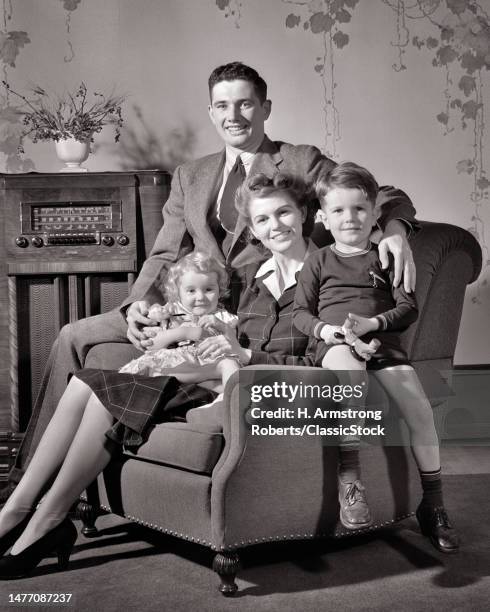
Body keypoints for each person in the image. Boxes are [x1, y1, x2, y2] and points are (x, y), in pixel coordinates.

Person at [1, 61, 417, 501]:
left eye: (244, 104)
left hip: (251, 308)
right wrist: (137, 306)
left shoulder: (300, 160)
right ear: (211, 111)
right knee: (72, 334)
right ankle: (23, 482)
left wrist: (396, 229)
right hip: (191, 301)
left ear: (265, 108)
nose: (233, 115)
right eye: (223, 105)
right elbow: (165, 252)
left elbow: (378, 193)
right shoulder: (191, 175)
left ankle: (38, 498)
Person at [0, 172, 324, 578]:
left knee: (106, 396)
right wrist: (155, 318)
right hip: (202, 372)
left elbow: (322, 367)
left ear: (306, 213)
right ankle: (20, 508)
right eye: (263, 219)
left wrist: (242, 352)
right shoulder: (252, 278)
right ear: (254, 229)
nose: (275, 226)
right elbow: (204, 317)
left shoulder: (326, 277)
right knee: (86, 379)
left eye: (284, 213)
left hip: (248, 385)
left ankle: (47, 520)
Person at [293, 162, 459, 553]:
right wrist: (334, 333)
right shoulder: (318, 260)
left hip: (383, 343)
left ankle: (433, 505)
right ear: (323, 217)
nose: (349, 218)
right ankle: (350, 481)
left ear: (374, 213)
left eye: (358, 209)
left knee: (419, 408)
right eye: (338, 211)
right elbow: (302, 313)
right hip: (334, 344)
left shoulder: (385, 257)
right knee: (353, 379)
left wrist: (373, 323)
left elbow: (408, 309)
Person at [118, 251, 240, 389]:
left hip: (208, 367)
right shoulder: (171, 311)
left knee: (226, 375)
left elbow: (232, 345)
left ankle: (230, 400)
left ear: (220, 289)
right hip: (173, 367)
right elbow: (150, 345)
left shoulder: (222, 317)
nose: (200, 297)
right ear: (178, 292)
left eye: (208, 289)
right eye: (191, 291)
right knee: (148, 371)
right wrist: (184, 333)